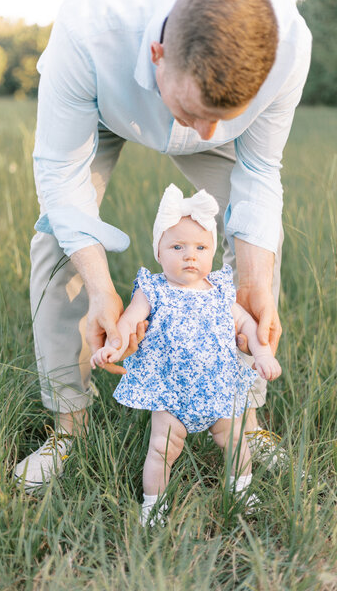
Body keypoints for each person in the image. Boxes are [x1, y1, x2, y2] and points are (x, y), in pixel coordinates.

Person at [14, 0, 311, 490]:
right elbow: (61, 176)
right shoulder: (89, 30)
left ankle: (245, 417)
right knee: (55, 244)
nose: (208, 130)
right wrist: (102, 289)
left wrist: (255, 277)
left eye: (226, 113)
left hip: (203, 118)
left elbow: (259, 171)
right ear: (157, 55)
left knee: (261, 246)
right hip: (106, 109)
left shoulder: (288, 47)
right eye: (199, 110)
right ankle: (70, 425)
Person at [90, 185, 282, 525]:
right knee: (162, 449)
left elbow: (249, 325)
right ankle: (154, 505)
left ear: (211, 252)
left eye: (200, 247)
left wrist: (263, 352)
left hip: (217, 387)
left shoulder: (221, 290)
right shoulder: (153, 290)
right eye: (177, 246)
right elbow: (127, 322)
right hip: (170, 391)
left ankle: (241, 489)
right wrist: (111, 347)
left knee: (235, 441)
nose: (189, 255)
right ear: (159, 253)